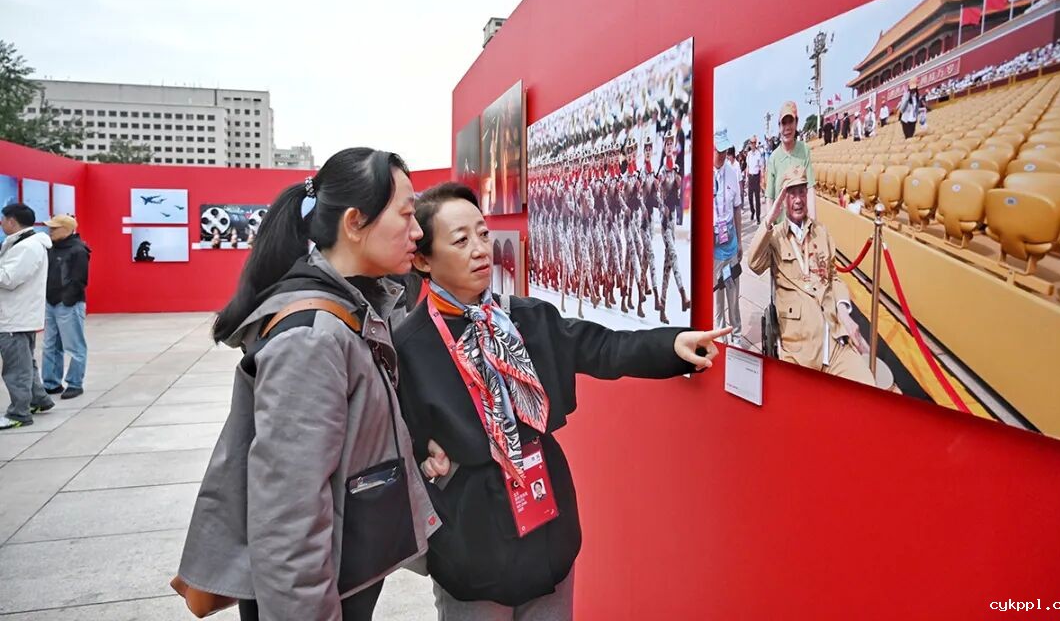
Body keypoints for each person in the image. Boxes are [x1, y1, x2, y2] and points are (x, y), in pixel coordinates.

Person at [394, 182, 730, 620]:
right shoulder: (409, 346)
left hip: (545, 524)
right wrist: (426, 462)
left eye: (482, 233)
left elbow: (600, 347)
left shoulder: (525, 319)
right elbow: (396, 442)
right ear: (423, 258)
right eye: (460, 240)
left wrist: (671, 345)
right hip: (471, 542)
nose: (480, 249)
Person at [176, 148, 445, 621]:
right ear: (355, 222)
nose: (418, 230)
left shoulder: (353, 308)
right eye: (406, 214)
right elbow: (288, 518)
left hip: (341, 572)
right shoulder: (312, 338)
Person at [749, 167, 897, 391]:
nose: (798, 200)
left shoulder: (821, 233)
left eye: (801, 192)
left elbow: (834, 277)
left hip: (835, 343)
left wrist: (844, 311)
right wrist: (770, 217)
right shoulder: (775, 237)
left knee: (869, 391)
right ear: (783, 198)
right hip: (799, 351)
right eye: (791, 194)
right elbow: (754, 263)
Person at [0, 203, 55, 430]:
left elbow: (9, 279)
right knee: (24, 363)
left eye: (3, 219)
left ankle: (19, 413)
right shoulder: (25, 244)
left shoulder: (28, 247)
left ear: (12, 221)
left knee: (16, 368)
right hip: (17, 315)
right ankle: (38, 400)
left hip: (14, 316)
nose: (1, 223)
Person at [42, 214, 91, 399]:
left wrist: (67, 300)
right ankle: (51, 383)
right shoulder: (51, 248)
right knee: (50, 345)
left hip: (69, 304)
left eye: (54, 228)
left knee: (74, 346)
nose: (50, 231)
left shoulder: (78, 250)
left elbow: (80, 280)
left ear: (67, 229)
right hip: (50, 302)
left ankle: (75, 383)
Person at [764, 101, 816, 221]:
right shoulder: (774, 158)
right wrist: (769, 228)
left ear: (796, 123)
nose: (787, 128)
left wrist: (813, 223)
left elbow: (810, 189)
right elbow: (769, 197)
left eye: (790, 122)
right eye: (784, 123)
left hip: (801, 225)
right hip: (781, 228)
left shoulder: (804, 150)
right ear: (779, 126)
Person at [714, 145, 744, 345]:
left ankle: (736, 335)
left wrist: (740, 241)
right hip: (713, 248)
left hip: (731, 244)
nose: (723, 155)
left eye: (725, 150)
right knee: (717, 299)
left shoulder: (733, 173)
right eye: (719, 150)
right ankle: (720, 336)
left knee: (733, 295)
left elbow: (737, 210)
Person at [745, 136, 764, 223]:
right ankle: (752, 211)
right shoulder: (748, 154)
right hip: (750, 177)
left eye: (754, 143)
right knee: (750, 197)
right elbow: (747, 167)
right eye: (751, 143)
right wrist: (746, 177)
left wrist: (762, 179)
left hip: (756, 177)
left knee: (757, 198)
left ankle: (758, 217)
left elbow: (761, 167)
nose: (752, 144)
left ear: (755, 143)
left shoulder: (758, 154)